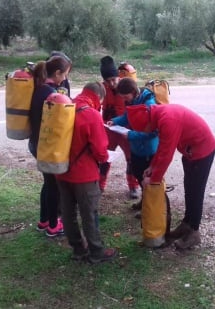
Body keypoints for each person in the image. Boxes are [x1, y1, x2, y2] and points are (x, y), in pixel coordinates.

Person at [126, 103, 215, 249]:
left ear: (148, 122)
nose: (146, 132)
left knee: (196, 192)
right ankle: (186, 224)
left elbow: (167, 154)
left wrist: (154, 180)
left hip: (202, 150)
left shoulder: (168, 120)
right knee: (189, 190)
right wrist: (152, 167)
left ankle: (193, 232)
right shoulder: (159, 116)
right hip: (190, 151)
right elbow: (162, 147)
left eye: (144, 129)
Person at [56, 82, 118, 264]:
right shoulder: (91, 114)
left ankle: (77, 249)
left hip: (61, 170)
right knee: (89, 213)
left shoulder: (65, 107)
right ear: (98, 97)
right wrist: (106, 156)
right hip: (84, 174)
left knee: (67, 212)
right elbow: (100, 151)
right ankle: (96, 251)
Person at [28, 56, 72, 237]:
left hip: (36, 143)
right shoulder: (51, 94)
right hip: (45, 145)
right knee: (54, 185)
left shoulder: (40, 88)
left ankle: (44, 220)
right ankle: (54, 225)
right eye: (65, 75)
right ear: (57, 73)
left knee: (48, 183)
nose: (65, 79)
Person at [106, 77, 158, 216]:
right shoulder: (133, 100)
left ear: (134, 91)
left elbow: (153, 133)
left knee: (148, 180)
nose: (124, 100)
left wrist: (131, 136)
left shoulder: (149, 104)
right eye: (121, 97)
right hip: (136, 148)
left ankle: (150, 210)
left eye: (125, 96)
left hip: (147, 149)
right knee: (138, 175)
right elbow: (127, 117)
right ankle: (144, 202)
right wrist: (114, 121)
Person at [99, 56, 140, 199]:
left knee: (131, 158)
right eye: (107, 81)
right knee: (105, 157)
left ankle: (133, 186)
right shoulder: (102, 88)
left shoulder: (127, 86)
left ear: (118, 76)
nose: (111, 83)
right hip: (109, 128)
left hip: (125, 129)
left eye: (113, 79)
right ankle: (100, 185)